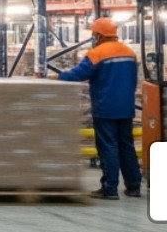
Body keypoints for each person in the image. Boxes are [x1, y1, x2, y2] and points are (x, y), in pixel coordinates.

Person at [59, 17, 142, 200]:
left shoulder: (96, 53)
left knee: (108, 147)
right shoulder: (129, 52)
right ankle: (134, 186)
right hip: (126, 107)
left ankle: (110, 188)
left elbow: (78, 74)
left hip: (106, 107)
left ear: (98, 35)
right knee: (126, 146)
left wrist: (58, 77)